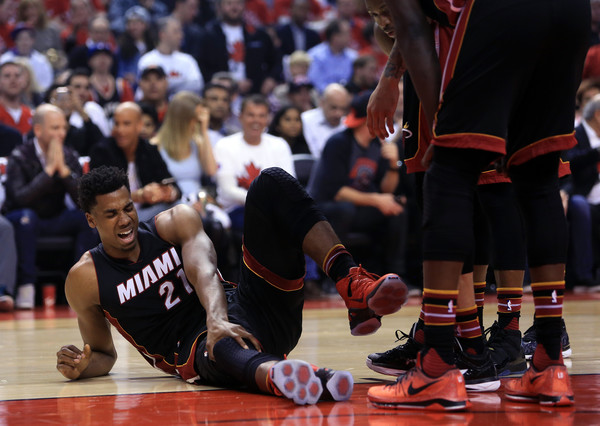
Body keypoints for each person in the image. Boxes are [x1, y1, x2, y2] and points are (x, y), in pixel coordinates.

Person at [366, 0, 589, 410]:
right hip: (572, 13)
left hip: (500, 14)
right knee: (537, 180)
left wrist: (440, 127)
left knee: (448, 175)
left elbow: (413, 29)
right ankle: (549, 365)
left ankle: (436, 367)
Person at [55, 164, 409, 403]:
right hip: (194, 350)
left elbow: (204, 267)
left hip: (249, 309)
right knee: (220, 343)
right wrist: (83, 367)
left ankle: (350, 280)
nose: (125, 220)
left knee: (271, 181)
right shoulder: (85, 278)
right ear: (90, 219)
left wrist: (216, 317)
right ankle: (300, 378)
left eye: (128, 208)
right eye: (111, 214)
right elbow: (103, 354)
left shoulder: (174, 222)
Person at [2, 104, 98, 309]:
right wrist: (47, 173)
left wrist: (63, 172)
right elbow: (19, 199)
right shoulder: (20, 155)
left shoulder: (69, 155)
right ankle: (26, 287)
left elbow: (83, 200)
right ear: (38, 130)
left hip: (54, 218)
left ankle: (82, 284)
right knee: (27, 217)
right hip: (23, 218)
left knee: (87, 218)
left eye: (63, 128)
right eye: (55, 128)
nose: (61, 133)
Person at [308, 91, 406, 278]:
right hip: (324, 208)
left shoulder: (378, 146)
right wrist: (377, 200)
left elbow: (386, 190)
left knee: (396, 210)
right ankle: (336, 277)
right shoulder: (339, 143)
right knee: (345, 209)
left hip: (358, 207)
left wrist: (394, 165)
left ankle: (395, 275)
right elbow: (336, 192)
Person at [213, 95, 295, 232]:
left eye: (261, 116)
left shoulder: (279, 145)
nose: (256, 121)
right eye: (251, 115)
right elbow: (228, 190)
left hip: (275, 208)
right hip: (236, 209)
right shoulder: (224, 145)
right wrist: (263, 203)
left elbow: (289, 185)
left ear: (268, 119)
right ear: (240, 117)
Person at [90, 102, 181, 222]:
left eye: (126, 124)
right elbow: (101, 196)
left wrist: (167, 193)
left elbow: (171, 183)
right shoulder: (102, 150)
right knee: (176, 215)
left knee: (181, 209)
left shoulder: (149, 149)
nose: (120, 130)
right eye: (116, 124)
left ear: (139, 126)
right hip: (114, 217)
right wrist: (140, 196)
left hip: (148, 213)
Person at [198, 0, 282, 96]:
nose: (234, 8)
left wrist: (271, 79)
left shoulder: (257, 34)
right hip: (221, 94)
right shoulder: (209, 34)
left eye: (238, 3)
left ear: (244, 6)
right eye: (229, 3)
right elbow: (201, 65)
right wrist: (222, 83)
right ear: (220, 7)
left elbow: (276, 61)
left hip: (255, 94)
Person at [137, 17, 204, 97]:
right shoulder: (147, 60)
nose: (181, 36)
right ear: (162, 34)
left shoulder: (187, 60)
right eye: (176, 31)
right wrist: (181, 84)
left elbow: (197, 85)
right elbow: (143, 90)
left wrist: (166, 86)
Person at [307, 19, 358, 94]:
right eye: (346, 33)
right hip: (322, 97)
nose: (350, 37)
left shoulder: (353, 56)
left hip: (347, 97)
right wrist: (335, 95)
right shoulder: (315, 55)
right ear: (335, 36)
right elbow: (316, 83)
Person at [301, 83, 350, 158]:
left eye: (343, 109)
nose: (339, 114)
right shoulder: (305, 120)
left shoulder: (348, 124)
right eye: (334, 108)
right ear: (322, 102)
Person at [1, 24, 53, 92]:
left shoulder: (41, 60)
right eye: (21, 39)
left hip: (36, 96)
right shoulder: (4, 59)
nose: (24, 42)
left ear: (32, 40)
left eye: (27, 39)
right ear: (15, 41)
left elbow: (47, 83)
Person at [0, 61, 33, 136]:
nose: (13, 80)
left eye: (17, 76)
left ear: (24, 81)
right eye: (7, 76)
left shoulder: (31, 115)